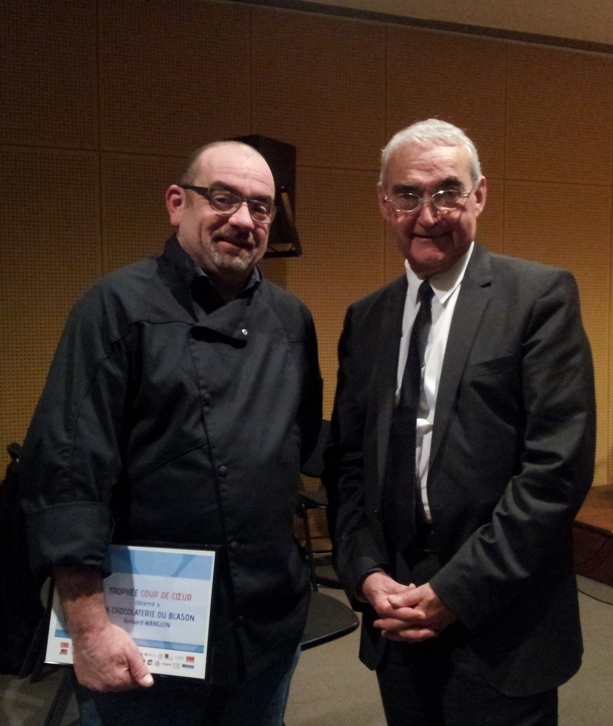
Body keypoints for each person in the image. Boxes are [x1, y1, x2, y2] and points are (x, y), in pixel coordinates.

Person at [20, 140, 322, 726]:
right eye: (224, 198)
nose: (243, 220)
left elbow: (302, 444)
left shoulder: (291, 320)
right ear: (176, 203)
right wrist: (89, 629)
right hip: (145, 633)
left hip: (265, 624)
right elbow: (68, 473)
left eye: (260, 207)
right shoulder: (115, 307)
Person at [323, 119, 595, 726]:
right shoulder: (365, 318)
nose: (429, 213)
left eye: (448, 191)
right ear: (384, 202)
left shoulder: (539, 297)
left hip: (500, 615)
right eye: (408, 195)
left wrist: (456, 591)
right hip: (395, 611)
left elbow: (555, 470)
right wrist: (365, 573)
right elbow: (347, 465)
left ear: (480, 196)